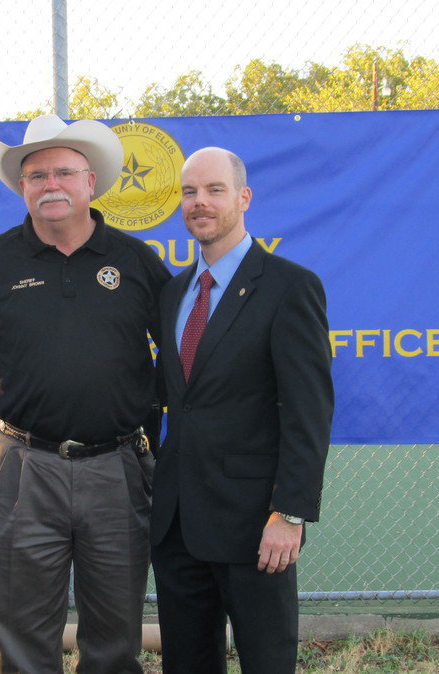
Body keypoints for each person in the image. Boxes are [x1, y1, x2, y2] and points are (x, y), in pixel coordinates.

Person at [0, 114, 172, 673]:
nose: (51, 185)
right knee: (23, 636)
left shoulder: (136, 261)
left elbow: (180, 353)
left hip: (118, 467)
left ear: (90, 182)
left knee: (115, 638)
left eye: (64, 173)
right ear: (22, 187)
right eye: (37, 175)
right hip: (23, 466)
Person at [150, 147, 334, 673]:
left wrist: (290, 514)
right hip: (178, 526)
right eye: (189, 192)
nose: (200, 202)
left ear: (244, 197)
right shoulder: (173, 292)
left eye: (215, 190)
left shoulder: (289, 286)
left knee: (266, 662)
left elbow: (308, 410)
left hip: (256, 526)